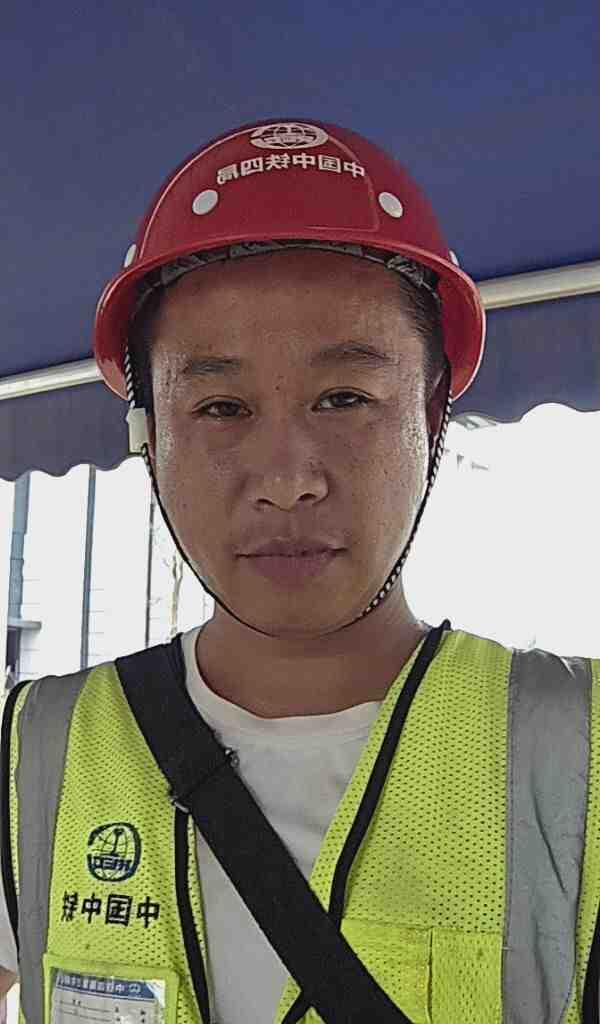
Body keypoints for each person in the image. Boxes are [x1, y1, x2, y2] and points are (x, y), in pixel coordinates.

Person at [1, 118, 599, 1024]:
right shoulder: (34, 755)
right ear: (150, 435)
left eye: (345, 397)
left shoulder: (576, 754)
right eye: (221, 406)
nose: (286, 480)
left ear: (433, 415)